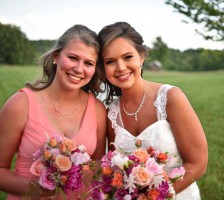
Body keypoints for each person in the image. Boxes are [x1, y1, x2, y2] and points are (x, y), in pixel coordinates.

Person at [98, 22, 208, 199]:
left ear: (141, 57)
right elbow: (115, 168)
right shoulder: (112, 113)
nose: (120, 67)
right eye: (110, 61)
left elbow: (198, 163)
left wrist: (157, 194)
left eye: (127, 57)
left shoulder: (170, 97)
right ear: (103, 68)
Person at [0, 24, 107, 199]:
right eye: (73, 58)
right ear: (56, 56)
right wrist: (40, 190)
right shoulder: (20, 104)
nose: (79, 69)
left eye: (88, 63)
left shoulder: (97, 110)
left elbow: (96, 167)